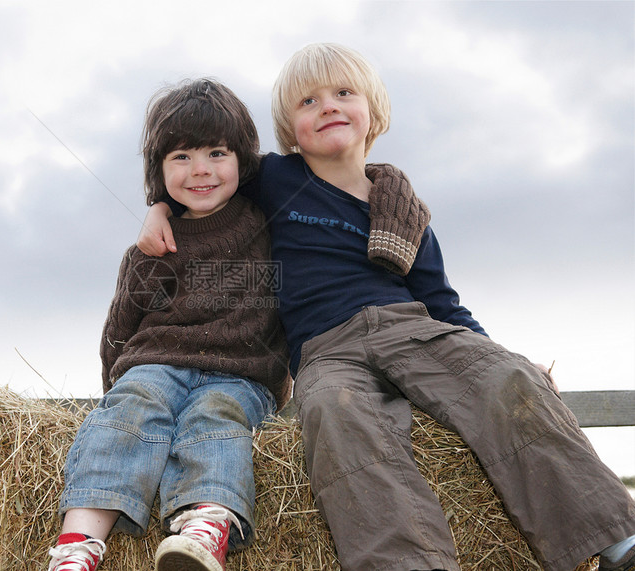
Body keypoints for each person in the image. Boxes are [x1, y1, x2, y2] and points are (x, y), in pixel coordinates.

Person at [137, 44, 635, 571]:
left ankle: (613, 537)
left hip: (412, 330)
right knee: (336, 416)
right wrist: (159, 207)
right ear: (289, 126)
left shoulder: (404, 210)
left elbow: (443, 303)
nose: (327, 106)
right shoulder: (277, 178)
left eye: (343, 93)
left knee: (506, 379)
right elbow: (210, 174)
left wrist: (496, 354)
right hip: (327, 351)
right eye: (308, 100)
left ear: (372, 109)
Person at [46, 78, 290, 571]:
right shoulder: (152, 248)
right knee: (133, 407)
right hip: (156, 364)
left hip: (240, 374)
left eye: (217, 153)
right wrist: (114, 388)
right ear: (159, 170)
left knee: (216, 414)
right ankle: (78, 546)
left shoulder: (269, 222)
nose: (200, 169)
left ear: (243, 160)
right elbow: (120, 327)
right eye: (181, 157)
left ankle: (206, 525)